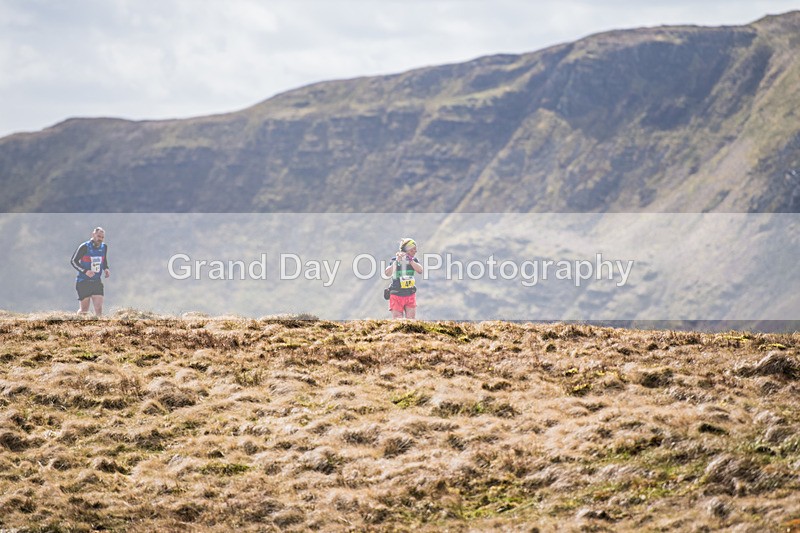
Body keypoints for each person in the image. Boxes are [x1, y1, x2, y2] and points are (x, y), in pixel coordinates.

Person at [70, 227, 111, 316]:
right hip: (83, 281)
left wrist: (106, 268)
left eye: (102, 237)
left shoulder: (104, 247)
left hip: (96, 281)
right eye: (98, 236)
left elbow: (103, 260)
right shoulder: (84, 247)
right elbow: (73, 261)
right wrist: (85, 271)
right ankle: (77, 321)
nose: (100, 239)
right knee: (84, 310)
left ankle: (99, 324)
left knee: (98, 308)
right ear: (93, 235)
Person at [384, 237, 423, 319]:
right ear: (406, 250)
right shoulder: (394, 260)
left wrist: (411, 261)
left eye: (415, 249)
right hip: (396, 294)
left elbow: (420, 270)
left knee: (411, 319)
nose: (415, 251)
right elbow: (387, 273)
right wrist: (397, 261)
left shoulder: (414, 260)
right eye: (413, 249)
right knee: (398, 319)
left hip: (410, 294)